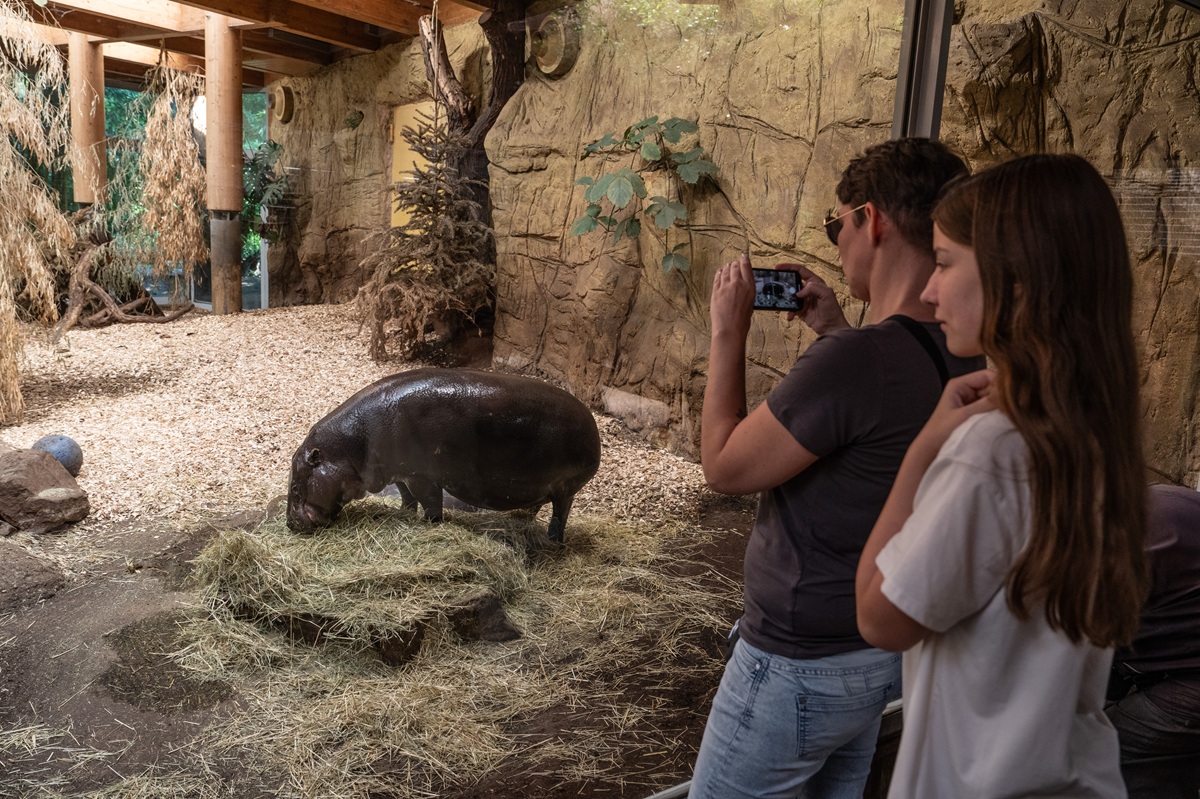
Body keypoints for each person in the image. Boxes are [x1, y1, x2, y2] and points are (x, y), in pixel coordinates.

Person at [695, 137, 982, 799]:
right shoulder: (958, 346)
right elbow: (883, 426)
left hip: (799, 660)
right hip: (882, 653)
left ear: (872, 220)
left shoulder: (855, 362)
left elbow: (724, 464)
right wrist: (835, 327)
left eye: (837, 224)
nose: (836, 241)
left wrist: (727, 332)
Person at [856, 153, 1150, 798]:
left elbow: (880, 616)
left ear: (1016, 281)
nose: (930, 290)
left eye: (944, 261)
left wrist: (925, 448)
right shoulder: (1089, 430)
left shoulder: (989, 450)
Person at [1106, 482, 1200, 799]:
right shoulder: (1159, 498)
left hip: (1190, 680)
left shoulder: (1118, 546)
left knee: (1110, 754)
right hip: (1181, 658)